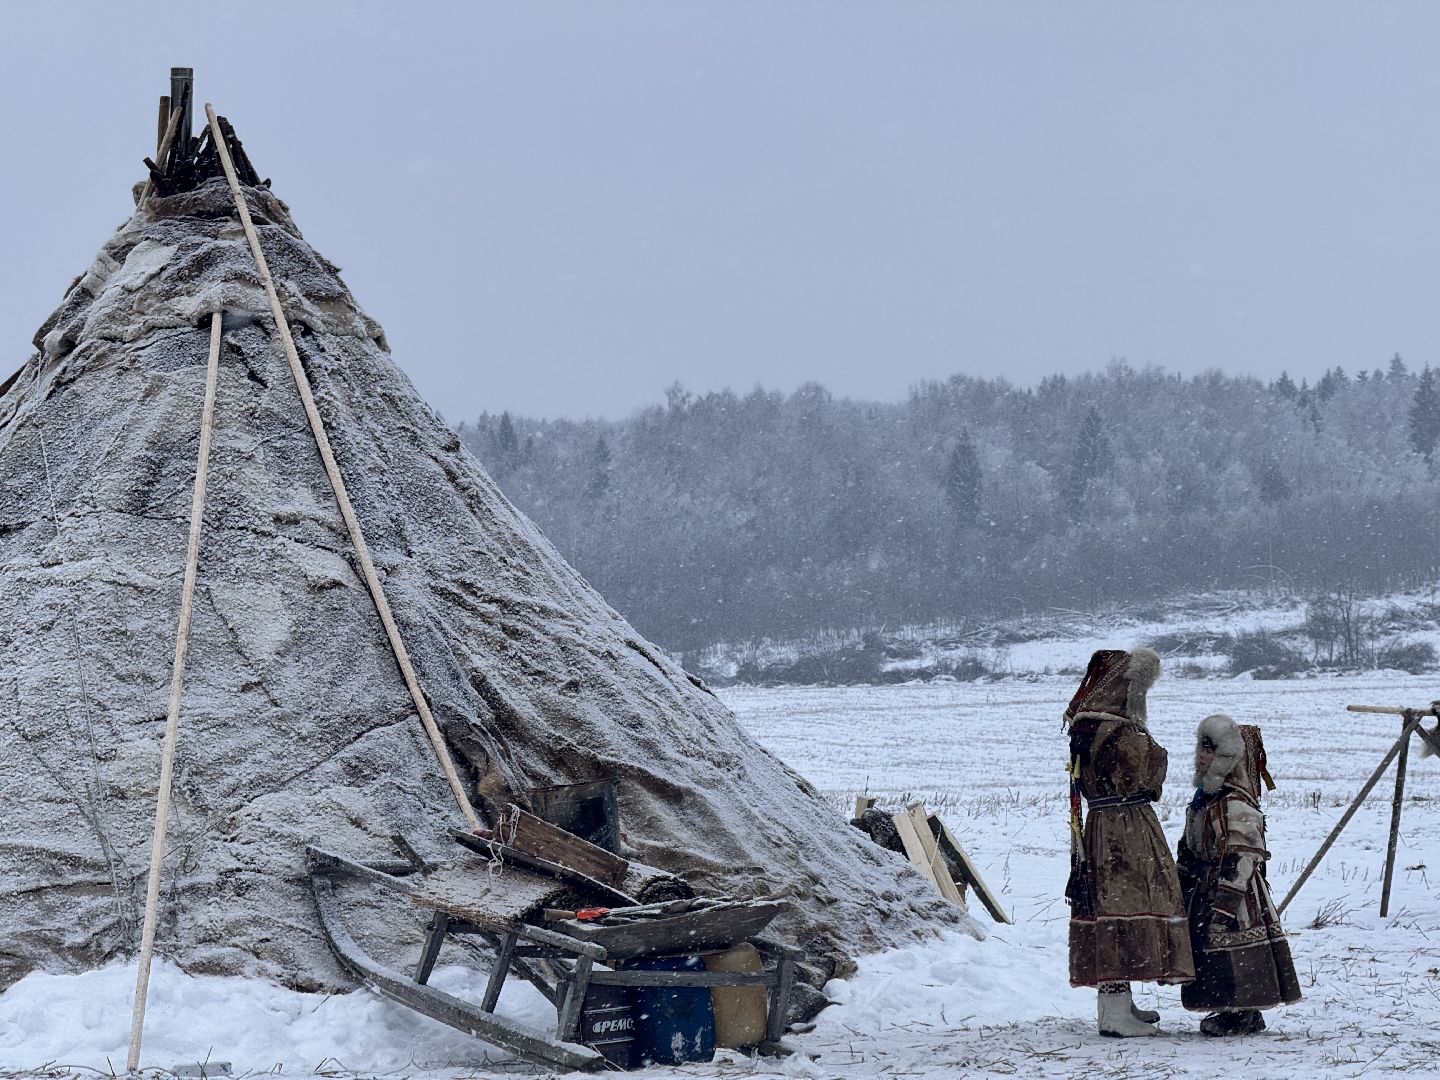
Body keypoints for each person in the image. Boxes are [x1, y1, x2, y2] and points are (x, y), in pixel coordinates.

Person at [1065, 648, 1195, 1037]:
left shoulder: (1085, 725)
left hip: (1100, 823)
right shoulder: (1119, 731)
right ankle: (1115, 1012)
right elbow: (1147, 773)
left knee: (1110, 904)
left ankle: (1119, 1002)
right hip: (1127, 827)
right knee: (1125, 905)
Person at [1177, 714, 1301, 1035]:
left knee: (1237, 948)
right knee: (1213, 954)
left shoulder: (1235, 801)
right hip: (1206, 887)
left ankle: (1244, 1013)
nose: (1202, 756)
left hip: (1237, 893)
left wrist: (1226, 899)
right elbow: (1190, 846)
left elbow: (1243, 854)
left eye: (1210, 749)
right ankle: (1227, 1008)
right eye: (1200, 748)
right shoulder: (1203, 800)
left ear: (1225, 756)